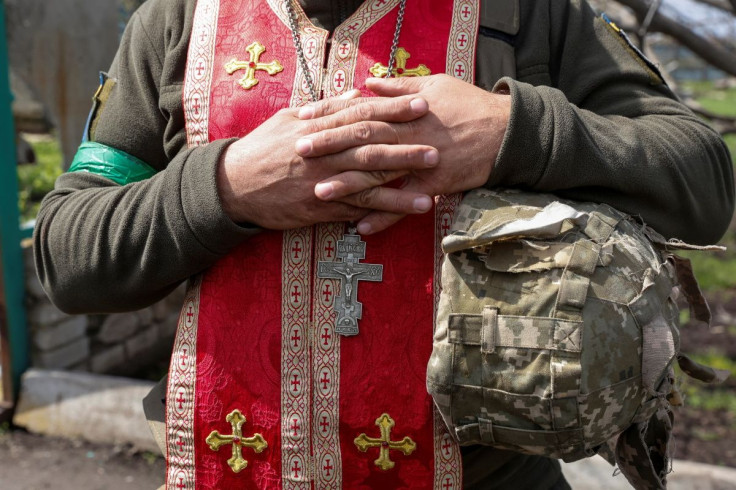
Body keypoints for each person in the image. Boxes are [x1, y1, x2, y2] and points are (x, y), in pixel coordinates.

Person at [34, 0, 733, 488]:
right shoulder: (176, 20)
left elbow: (702, 175)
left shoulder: (526, 12)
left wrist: (512, 133)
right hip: (223, 470)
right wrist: (224, 187)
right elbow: (67, 255)